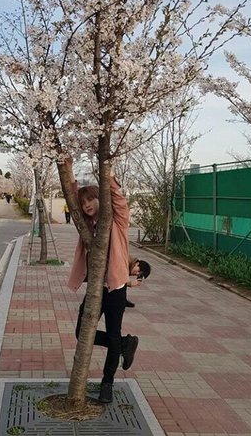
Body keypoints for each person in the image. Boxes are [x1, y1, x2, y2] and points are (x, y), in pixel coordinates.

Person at [67, 161, 138, 404]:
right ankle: (124, 344)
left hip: (115, 288)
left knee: (113, 332)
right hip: (96, 288)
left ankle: (107, 383)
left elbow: (119, 201)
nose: (86, 205)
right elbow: (73, 204)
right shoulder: (86, 226)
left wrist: (109, 177)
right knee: (82, 331)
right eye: (84, 202)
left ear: (100, 198)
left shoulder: (117, 220)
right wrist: (69, 173)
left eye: (91, 200)